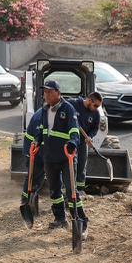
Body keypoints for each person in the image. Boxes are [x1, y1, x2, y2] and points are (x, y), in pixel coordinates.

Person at [22, 81, 82, 232]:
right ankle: (60, 219)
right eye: (45, 92)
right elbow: (41, 130)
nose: (46, 95)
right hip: (50, 158)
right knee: (54, 190)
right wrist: (36, 141)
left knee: (71, 191)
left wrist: (73, 143)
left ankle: (79, 219)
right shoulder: (43, 110)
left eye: (49, 92)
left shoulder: (67, 109)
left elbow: (74, 129)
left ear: (58, 93)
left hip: (66, 157)